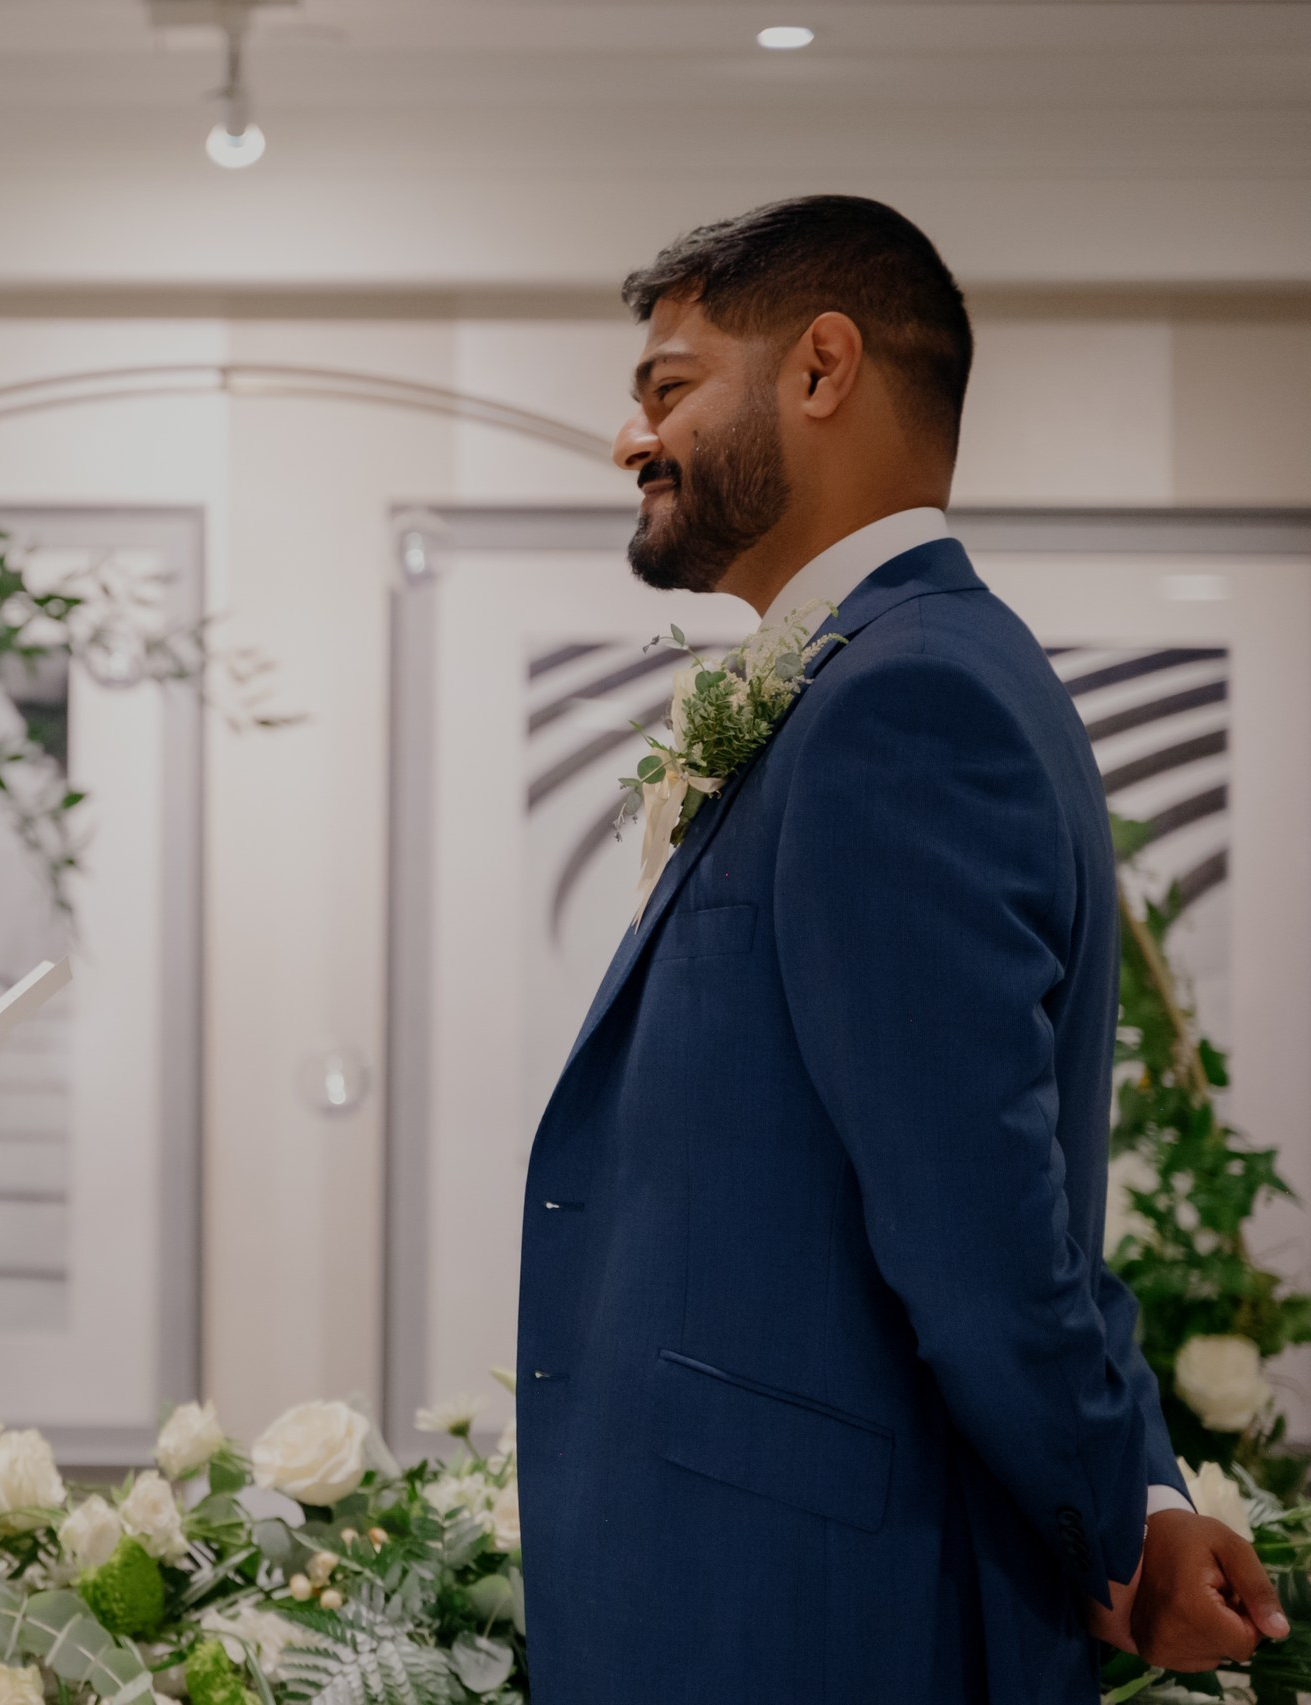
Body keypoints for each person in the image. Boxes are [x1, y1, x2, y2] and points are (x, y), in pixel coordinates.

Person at [514, 196, 1285, 1702]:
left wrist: (1117, 1527)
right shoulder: (883, 677)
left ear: (821, 368)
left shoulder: (904, 706)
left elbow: (982, 1223)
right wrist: (1144, 1487)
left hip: (813, 1618)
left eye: (667, 386)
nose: (628, 441)